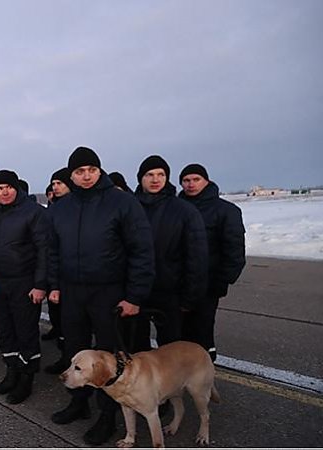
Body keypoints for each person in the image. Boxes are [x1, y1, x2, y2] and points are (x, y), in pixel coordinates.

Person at [46, 147, 154, 445]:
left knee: (108, 358)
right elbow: (52, 252)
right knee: (75, 350)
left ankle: (108, 415)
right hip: (72, 291)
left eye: (91, 170)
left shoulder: (121, 203)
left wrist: (134, 296)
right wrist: (54, 284)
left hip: (109, 291)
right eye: (79, 171)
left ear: (99, 170)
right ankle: (78, 402)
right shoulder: (60, 208)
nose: (86, 176)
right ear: (71, 175)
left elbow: (141, 251)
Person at [0, 169, 51, 405]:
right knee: (5, 330)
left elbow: (44, 250)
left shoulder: (33, 213)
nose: (4, 192)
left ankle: (26, 378)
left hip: (25, 282)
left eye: (8, 187)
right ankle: (12, 372)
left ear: (16, 188)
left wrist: (40, 284)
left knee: (26, 331)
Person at [133, 155, 208, 352]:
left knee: (171, 352)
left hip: (170, 294)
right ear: (140, 178)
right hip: (135, 292)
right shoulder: (129, 208)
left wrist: (189, 297)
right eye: (149, 174)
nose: (155, 179)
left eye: (161, 174)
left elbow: (196, 257)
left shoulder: (184, 210)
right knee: (136, 350)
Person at [178, 163, 246, 362]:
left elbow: (234, 249)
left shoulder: (226, 210)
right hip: (179, 281)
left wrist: (223, 279)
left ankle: (204, 372)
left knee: (202, 329)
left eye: (196, 179)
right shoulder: (176, 207)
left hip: (208, 282)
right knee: (179, 331)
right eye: (186, 180)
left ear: (206, 181)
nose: (191, 184)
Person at [42, 167, 71, 375]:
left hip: (85, 280)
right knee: (63, 322)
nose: (55, 188)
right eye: (53, 184)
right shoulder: (53, 211)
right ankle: (66, 357)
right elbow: (48, 248)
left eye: (59, 183)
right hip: (59, 276)